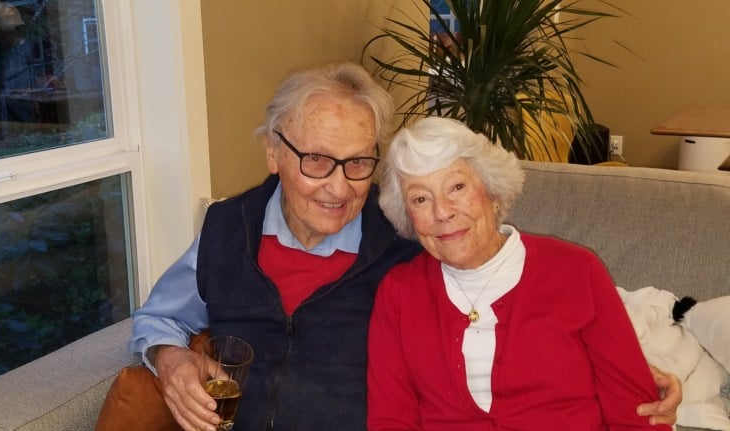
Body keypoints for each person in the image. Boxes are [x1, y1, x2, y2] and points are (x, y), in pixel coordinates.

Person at [127, 62, 680, 431]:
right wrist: (170, 360)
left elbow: (508, 283)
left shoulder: (403, 241)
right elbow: (156, 320)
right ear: (274, 151)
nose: (340, 186)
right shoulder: (227, 227)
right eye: (317, 160)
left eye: (360, 162)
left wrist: (636, 362)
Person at [368, 116, 675, 430]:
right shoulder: (400, 293)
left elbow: (639, 417)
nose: (442, 212)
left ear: (492, 193)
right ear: (407, 215)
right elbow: (391, 420)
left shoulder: (576, 272)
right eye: (420, 199)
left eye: (457, 187)